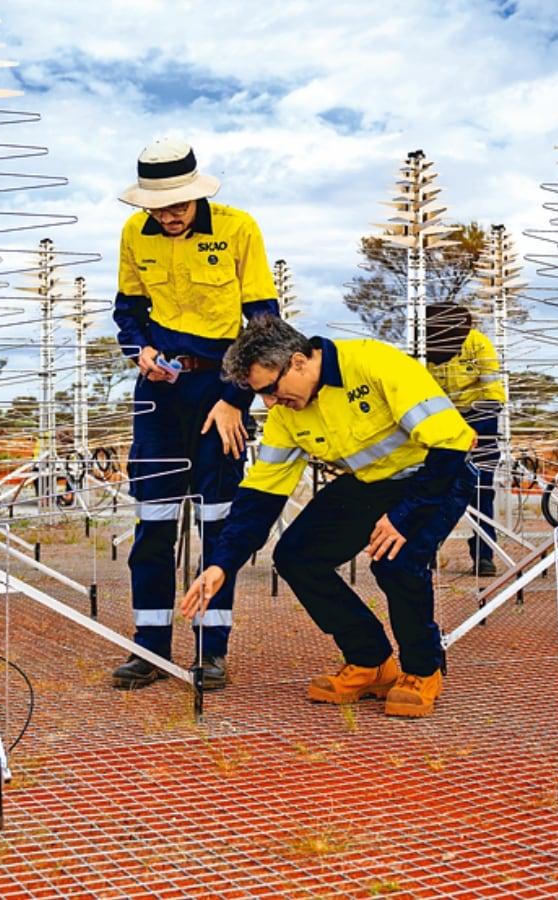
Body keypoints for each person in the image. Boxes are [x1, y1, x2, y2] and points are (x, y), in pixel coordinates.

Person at [178, 316, 476, 718]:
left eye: (270, 389)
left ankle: (423, 669)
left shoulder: (374, 363)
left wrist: (403, 517)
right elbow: (260, 496)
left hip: (437, 473)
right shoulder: (287, 414)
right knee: (297, 556)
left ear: (298, 362)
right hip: (372, 483)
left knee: (397, 562)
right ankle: (371, 662)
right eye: (258, 394)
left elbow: (451, 442)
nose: (268, 403)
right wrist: (221, 565)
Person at [110, 138, 279, 691]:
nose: (169, 215)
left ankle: (212, 650)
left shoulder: (238, 228)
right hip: (158, 392)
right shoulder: (134, 233)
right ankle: (150, 647)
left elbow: (263, 323)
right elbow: (128, 311)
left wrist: (236, 398)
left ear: (196, 192)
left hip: (219, 387)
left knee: (217, 522)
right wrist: (139, 351)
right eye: (158, 207)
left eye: (177, 204)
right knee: (153, 524)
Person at [425, 302, 507, 577]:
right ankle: (427, 547)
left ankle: (484, 554)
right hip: (443, 420)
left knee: (480, 488)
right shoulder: (425, 350)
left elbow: (492, 392)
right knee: (436, 486)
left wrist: (477, 428)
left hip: (480, 417)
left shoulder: (478, 345)